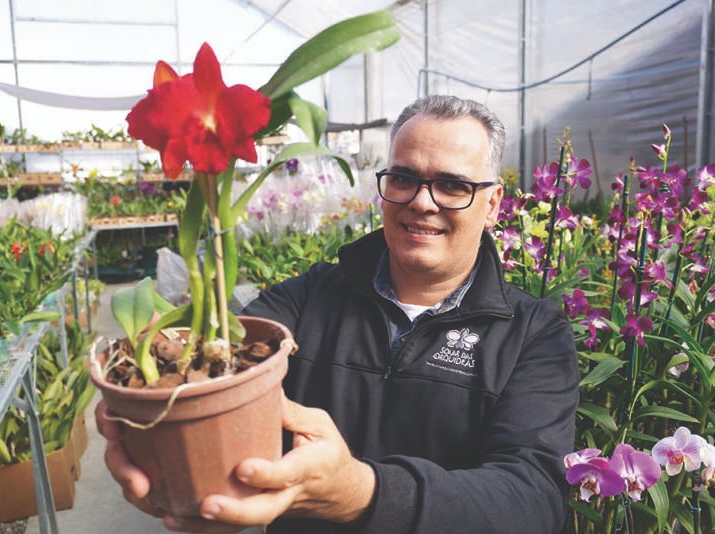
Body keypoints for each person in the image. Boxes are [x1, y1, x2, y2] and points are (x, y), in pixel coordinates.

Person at [97, 95, 579, 533]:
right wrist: (155, 417)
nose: (422, 202)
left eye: (453, 186)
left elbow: (533, 501)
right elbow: (222, 366)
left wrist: (363, 493)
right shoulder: (311, 296)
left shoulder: (533, 333)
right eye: (404, 178)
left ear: (493, 203)